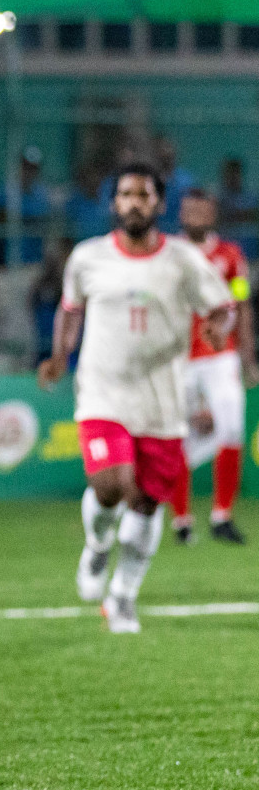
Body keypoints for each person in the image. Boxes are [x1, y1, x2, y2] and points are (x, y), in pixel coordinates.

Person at [38, 162, 234, 634]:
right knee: (109, 483)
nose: (134, 203)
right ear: (114, 203)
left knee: (147, 503)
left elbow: (224, 306)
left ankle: (123, 597)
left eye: (143, 195)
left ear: (159, 204)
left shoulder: (185, 260)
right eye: (125, 194)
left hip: (163, 401)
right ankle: (98, 545)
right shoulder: (88, 258)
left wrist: (217, 327)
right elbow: (70, 309)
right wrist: (59, 354)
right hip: (104, 392)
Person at [171, 189, 258, 545]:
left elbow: (241, 306)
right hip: (178, 357)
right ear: (180, 214)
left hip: (221, 355)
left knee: (232, 428)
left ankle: (222, 514)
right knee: (176, 435)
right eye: (189, 211)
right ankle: (181, 521)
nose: (195, 218)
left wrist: (248, 357)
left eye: (202, 212)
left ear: (212, 215)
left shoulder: (231, 256)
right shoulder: (168, 255)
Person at [218, 156, 259, 261]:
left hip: (250, 254)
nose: (232, 177)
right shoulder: (218, 200)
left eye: (235, 173)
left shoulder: (251, 199)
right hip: (225, 256)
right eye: (229, 174)